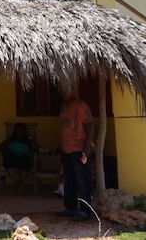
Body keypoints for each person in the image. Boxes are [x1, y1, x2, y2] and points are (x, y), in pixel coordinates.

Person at [55, 88, 93, 222]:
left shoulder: (81, 105)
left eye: (67, 89)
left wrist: (87, 146)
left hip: (79, 149)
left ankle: (84, 211)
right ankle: (70, 208)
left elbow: (90, 125)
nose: (64, 92)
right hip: (67, 149)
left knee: (82, 181)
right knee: (69, 180)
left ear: (72, 90)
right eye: (62, 89)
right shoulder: (63, 107)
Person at [0, 123, 36, 193]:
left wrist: (30, 137)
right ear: (15, 131)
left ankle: (18, 185)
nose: (20, 132)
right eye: (18, 130)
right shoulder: (11, 139)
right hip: (12, 155)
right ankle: (18, 185)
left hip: (23, 157)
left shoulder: (28, 140)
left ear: (25, 132)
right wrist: (7, 140)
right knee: (8, 162)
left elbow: (35, 148)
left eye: (22, 130)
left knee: (26, 164)